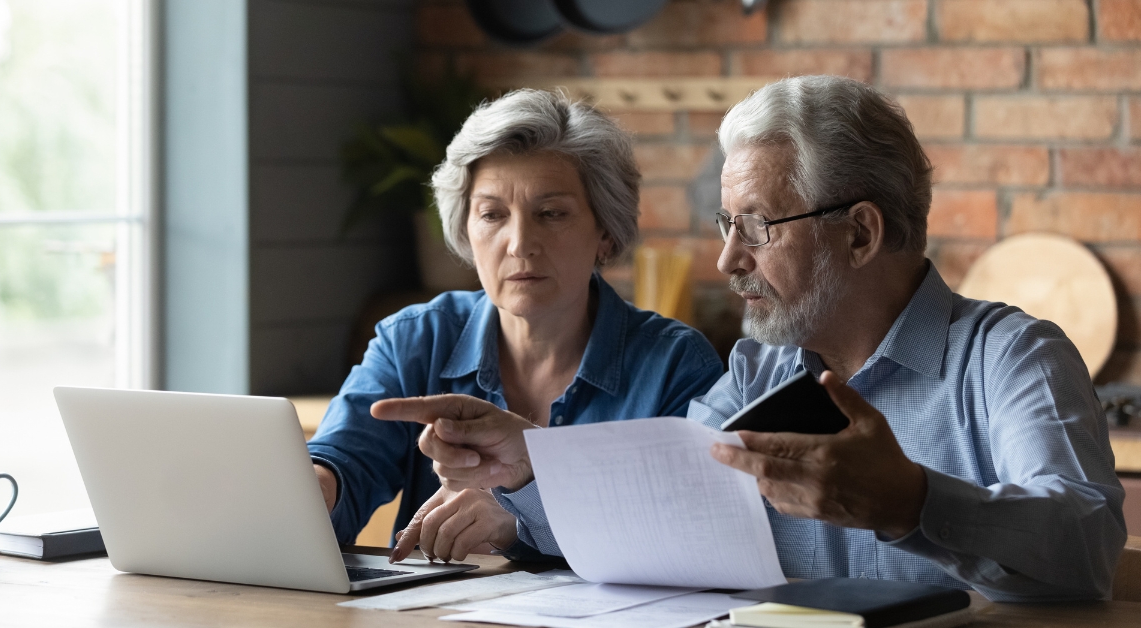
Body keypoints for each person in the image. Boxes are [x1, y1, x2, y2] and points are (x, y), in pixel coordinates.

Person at [382, 76, 1126, 602]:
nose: (727, 261)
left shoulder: (1011, 356)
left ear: (861, 233)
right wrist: (531, 465)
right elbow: (661, 506)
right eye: (726, 226)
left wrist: (912, 502)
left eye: (758, 228)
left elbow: (1086, 550)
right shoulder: (756, 370)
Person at [307, 89, 723, 564]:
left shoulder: (676, 366)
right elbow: (346, 460)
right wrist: (317, 489)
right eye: (492, 215)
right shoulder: (415, 340)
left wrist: (522, 521)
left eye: (551, 214)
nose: (520, 243)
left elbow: (689, 532)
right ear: (466, 230)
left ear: (605, 232)